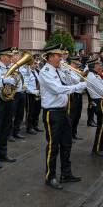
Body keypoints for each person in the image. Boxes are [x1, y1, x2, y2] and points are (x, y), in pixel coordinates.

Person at [38, 44, 87, 190]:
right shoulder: (45, 71)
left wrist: (69, 72)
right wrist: (77, 87)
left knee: (67, 143)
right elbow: (57, 89)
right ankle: (50, 176)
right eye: (59, 56)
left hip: (63, 111)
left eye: (61, 55)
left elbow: (74, 81)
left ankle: (66, 173)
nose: (61, 58)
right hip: (52, 113)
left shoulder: (60, 69)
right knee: (53, 146)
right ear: (51, 56)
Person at [0, 47, 18, 169]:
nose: (11, 58)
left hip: (9, 100)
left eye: (11, 56)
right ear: (2, 57)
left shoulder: (11, 69)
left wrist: (15, 82)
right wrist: (4, 80)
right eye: (9, 56)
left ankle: (3, 153)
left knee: (7, 127)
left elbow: (17, 83)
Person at [64, 56, 85, 141]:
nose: (77, 66)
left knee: (77, 116)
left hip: (79, 95)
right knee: (71, 117)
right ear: (72, 63)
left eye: (78, 64)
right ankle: (68, 136)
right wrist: (81, 76)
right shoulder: (69, 70)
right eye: (76, 64)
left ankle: (74, 133)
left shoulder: (77, 71)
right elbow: (76, 80)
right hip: (72, 95)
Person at [9, 49, 28, 141]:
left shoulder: (22, 67)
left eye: (17, 55)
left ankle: (16, 132)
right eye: (14, 55)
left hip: (22, 93)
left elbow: (26, 77)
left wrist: (25, 86)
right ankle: (9, 134)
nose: (16, 57)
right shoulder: (9, 67)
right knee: (11, 114)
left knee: (20, 114)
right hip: (13, 94)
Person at [25, 56, 43, 134]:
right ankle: (29, 127)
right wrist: (32, 91)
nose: (35, 65)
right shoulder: (27, 72)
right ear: (29, 64)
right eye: (34, 64)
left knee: (37, 110)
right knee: (30, 111)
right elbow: (25, 85)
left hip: (37, 94)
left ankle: (35, 125)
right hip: (30, 94)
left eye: (35, 63)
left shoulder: (36, 71)